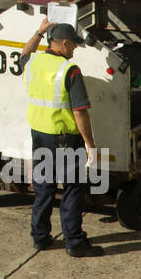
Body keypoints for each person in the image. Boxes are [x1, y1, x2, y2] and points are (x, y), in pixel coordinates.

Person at [18, 17, 104, 257]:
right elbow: (80, 113)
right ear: (64, 43)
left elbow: (25, 53)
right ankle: (75, 242)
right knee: (73, 188)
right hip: (65, 140)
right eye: (74, 45)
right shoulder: (69, 70)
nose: (75, 49)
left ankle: (40, 237)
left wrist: (38, 31)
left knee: (44, 187)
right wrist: (90, 145)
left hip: (40, 136)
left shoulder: (34, 62)